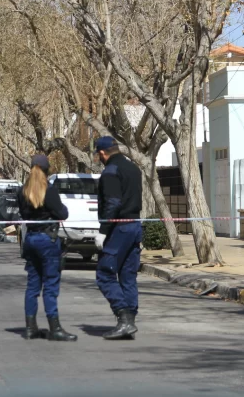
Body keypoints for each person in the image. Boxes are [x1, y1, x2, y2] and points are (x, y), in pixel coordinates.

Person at [18, 155, 76, 342]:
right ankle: (55, 328)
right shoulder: (49, 191)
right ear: (46, 169)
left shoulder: (23, 191)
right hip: (47, 240)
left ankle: (30, 328)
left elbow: (23, 213)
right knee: (50, 286)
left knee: (32, 286)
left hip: (31, 239)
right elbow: (62, 213)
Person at [94, 136, 143, 340]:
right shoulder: (133, 168)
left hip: (119, 228)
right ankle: (129, 320)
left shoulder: (110, 171)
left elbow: (113, 202)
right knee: (127, 275)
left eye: (98, 155)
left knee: (105, 273)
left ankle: (123, 317)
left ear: (103, 153)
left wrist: (103, 230)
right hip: (134, 226)